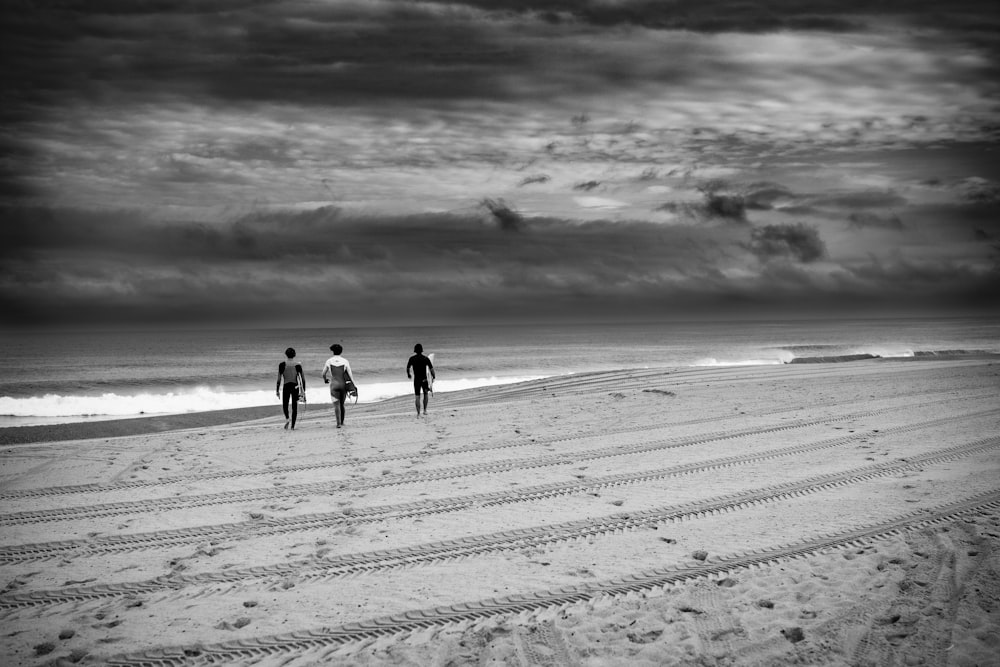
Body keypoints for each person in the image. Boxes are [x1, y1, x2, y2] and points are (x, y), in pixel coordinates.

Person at [322, 343, 354, 428]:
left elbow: (323, 373)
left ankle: (338, 424)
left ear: (333, 351)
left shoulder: (329, 361)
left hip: (334, 385)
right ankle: (342, 422)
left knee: (336, 405)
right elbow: (350, 375)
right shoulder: (345, 361)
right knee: (342, 404)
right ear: (341, 351)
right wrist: (353, 385)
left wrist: (325, 379)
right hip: (343, 385)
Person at [276, 347, 306, 430]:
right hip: (295, 387)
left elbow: (279, 379)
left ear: (286, 354)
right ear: (294, 355)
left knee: (285, 405)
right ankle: (292, 426)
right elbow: (303, 379)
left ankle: (287, 418)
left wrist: (277, 390)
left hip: (286, 386)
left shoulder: (282, 365)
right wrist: (303, 391)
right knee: (294, 407)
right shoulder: (298, 365)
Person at [406, 343, 435, 416]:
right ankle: (425, 410)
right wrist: (433, 376)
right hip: (424, 380)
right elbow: (431, 369)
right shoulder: (425, 359)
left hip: (417, 381)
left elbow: (408, 368)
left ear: (415, 350)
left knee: (417, 396)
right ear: (422, 350)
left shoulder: (412, 359)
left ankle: (418, 413)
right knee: (425, 394)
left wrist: (409, 374)